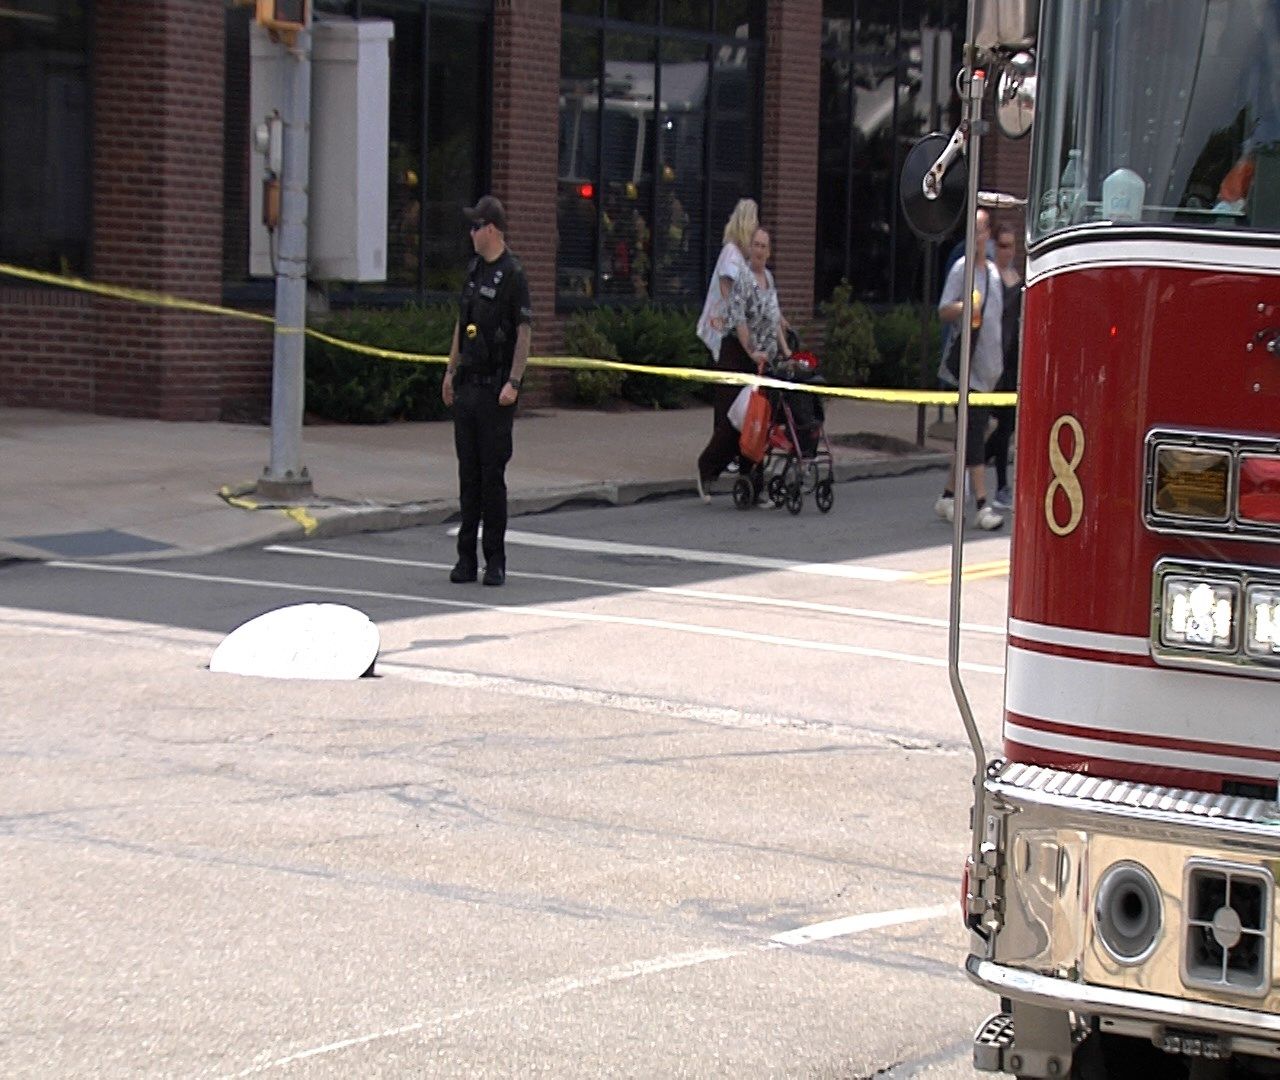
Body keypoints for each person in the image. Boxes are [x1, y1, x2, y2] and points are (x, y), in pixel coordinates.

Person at [441, 195, 533, 587]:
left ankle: (494, 560)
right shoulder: (473, 270)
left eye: (476, 226)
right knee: (468, 477)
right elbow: (461, 325)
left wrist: (514, 381)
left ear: (492, 229)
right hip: (469, 387)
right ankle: (465, 559)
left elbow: (524, 333)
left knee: (492, 476)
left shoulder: (513, 274)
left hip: (497, 391)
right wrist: (449, 372)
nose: (471, 232)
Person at [696, 226, 791, 500]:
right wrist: (752, 353)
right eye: (756, 245)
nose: (759, 250)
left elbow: (773, 318)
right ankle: (706, 469)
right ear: (749, 250)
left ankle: (752, 482)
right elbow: (739, 321)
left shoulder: (768, 280)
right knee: (733, 422)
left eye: (764, 246)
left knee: (759, 420)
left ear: (770, 252)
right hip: (737, 355)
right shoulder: (743, 280)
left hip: (760, 358)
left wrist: (786, 351)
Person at [933, 211, 1005, 531]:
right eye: (972, 230)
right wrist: (965, 306)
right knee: (973, 436)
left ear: (988, 233)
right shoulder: (961, 269)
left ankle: (948, 496)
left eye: (982, 229)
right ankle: (981, 504)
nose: (978, 235)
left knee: (968, 436)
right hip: (966, 371)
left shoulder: (992, 274)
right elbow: (943, 310)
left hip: (989, 369)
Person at [694, 199, 757, 495]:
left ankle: (730, 455)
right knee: (730, 398)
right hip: (726, 337)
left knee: (733, 399)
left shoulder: (738, 258)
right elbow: (731, 297)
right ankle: (721, 456)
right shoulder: (731, 256)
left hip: (733, 337)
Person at [984, 224, 1023, 511]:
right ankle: (989, 480)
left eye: (1011, 246)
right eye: (1003, 245)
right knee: (984, 423)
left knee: (1006, 426)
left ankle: (996, 482)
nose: (1007, 252)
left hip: (1011, 364)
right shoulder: (988, 277)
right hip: (989, 360)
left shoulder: (1017, 280)